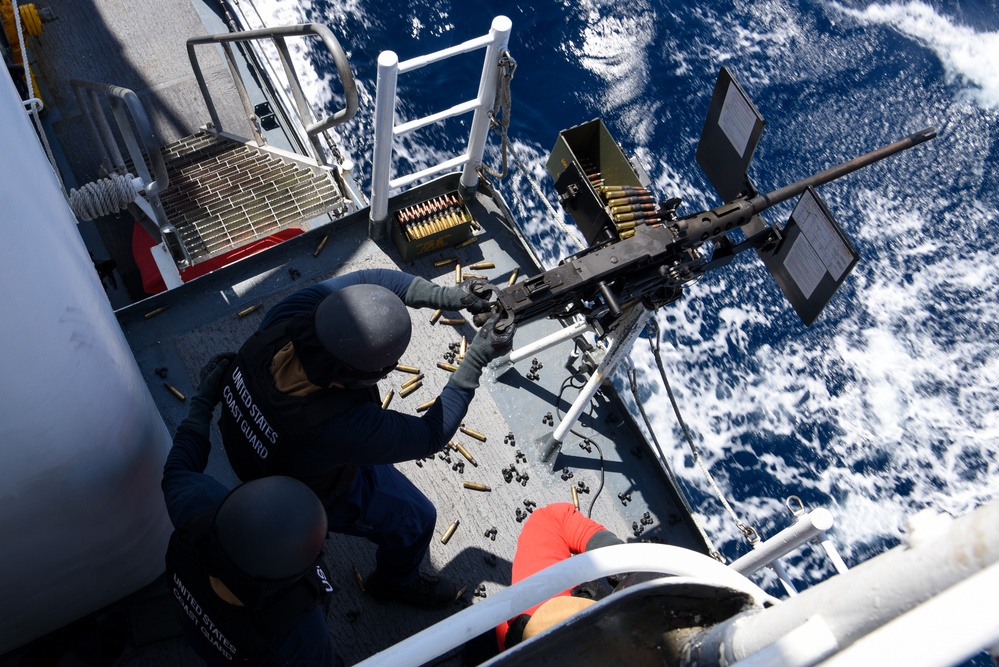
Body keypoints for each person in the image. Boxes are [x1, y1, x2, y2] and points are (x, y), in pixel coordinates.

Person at [216, 268, 514, 608]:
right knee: (417, 517)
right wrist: (476, 356)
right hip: (299, 489)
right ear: (366, 376)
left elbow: (373, 282)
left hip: (243, 447)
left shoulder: (289, 316)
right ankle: (394, 583)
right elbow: (432, 434)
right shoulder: (344, 425)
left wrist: (447, 296)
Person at [162, 355, 338, 666]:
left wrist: (203, 400)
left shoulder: (197, 514)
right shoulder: (301, 632)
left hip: (198, 634)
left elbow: (179, 467)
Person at [496, 503, 623, 651]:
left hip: (520, 638)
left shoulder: (537, 606)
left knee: (501, 618)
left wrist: (618, 556)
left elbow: (551, 519)